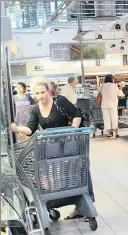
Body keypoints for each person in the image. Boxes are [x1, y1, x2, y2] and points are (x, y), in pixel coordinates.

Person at [10, 79, 94, 220]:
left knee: (80, 170)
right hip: (54, 148)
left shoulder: (59, 101)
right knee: (64, 176)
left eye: (43, 92)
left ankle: (85, 204)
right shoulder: (36, 109)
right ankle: (74, 203)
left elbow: (76, 114)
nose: (40, 96)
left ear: (49, 91)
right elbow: (30, 128)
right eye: (37, 93)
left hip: (71, 143)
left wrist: (72, 131)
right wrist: (17, 128)